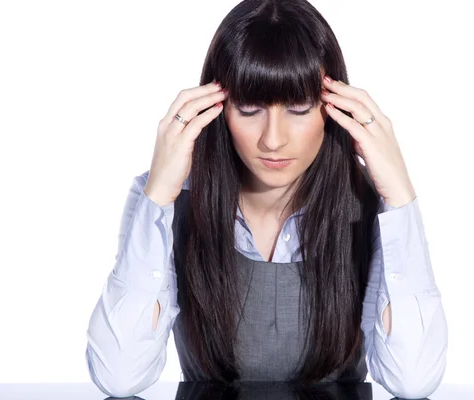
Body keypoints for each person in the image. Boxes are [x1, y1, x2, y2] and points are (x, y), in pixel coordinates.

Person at [85, 0, 448, 398]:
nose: (272, 140)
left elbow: (412, 382)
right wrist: (158, 197)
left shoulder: (368, 205)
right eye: (249, 108)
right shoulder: (165, 202)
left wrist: (399, 197)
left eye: (297, 108)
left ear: (334, 108)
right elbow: (119, 378)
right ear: (216, 108)